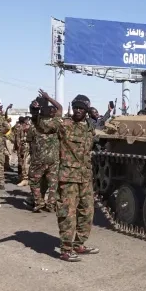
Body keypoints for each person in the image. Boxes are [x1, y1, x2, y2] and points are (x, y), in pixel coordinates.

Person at [37, 93, 98, 262]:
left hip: (85, 177)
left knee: (87, 212)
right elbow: (43, 126)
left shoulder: (89, 126)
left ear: (86, 110)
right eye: (76, 107)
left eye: (82, 108)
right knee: (67, 213)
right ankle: (65, 249)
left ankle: (79, 244)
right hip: (68, 177)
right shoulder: (64, 124)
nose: (78, 110)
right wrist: (36, 112)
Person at [28, 92, 62, 212]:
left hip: (39, 158)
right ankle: (51, 204)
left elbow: (29, 141)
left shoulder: (35, 125)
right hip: (54, 158)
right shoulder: (57, 123)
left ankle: (38, 202)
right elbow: (60, 108)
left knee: (34, 180)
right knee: (53, 183)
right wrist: (48, 98)